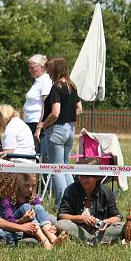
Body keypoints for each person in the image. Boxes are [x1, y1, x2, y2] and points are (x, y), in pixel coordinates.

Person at [35, 57, 82, 210]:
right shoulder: (72, 86)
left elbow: (55, 113)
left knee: (56, 169)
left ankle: (62, 204)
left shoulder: (57, 87)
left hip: (57, 130)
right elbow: (79, 109)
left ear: (55, 69)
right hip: (70, 129)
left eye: (49, 69)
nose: (48, 73)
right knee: (66, 167)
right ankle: (74, 202)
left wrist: (42, 125)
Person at [56, 158, 124, 245]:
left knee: (123, 226)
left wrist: (107, 222)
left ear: (98, 177)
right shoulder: (71, 189)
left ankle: (86, 242)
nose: (83, 180)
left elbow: (117, 217)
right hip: (77, 229)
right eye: (81, 176)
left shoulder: (106, 191)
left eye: (88, 177)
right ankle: (94, 242)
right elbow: (62, 216)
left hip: (99, 232)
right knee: (61, 224)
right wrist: (81, 219)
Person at [0, 173, 65, 249]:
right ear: (18, 183)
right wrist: (22, 220)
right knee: (26, 207)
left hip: (32, 227)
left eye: (33, 185)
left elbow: (41, 213)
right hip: (15, 226)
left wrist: (53, 225)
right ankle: (44, 241)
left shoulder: (33, 196)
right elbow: (7, 221)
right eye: (26, 185)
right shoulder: (8, 197)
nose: (30, 189)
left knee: (38, 207)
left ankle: (53, 238)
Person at [23, 54, 52, 137]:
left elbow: (45, 105)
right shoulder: (38, 81)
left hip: (36, 122)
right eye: (29, 68)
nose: (29, 70)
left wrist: (39, 126)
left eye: (32, 68)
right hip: (30, 121)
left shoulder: (45, 81)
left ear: (42, 67)